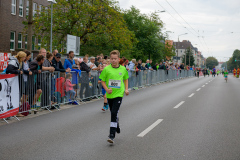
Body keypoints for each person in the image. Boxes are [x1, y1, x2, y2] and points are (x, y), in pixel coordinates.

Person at [99, 50, 129, 144]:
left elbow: (126, 79)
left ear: (118, 59)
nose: (113, 60)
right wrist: (107, 89)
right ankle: (116, 124)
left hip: (119, 94)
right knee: (113, 112)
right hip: (110, 94)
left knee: (113, 113)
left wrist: (126, 89)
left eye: (115, 59)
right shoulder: (106, 69)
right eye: (112, 59)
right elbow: (102, 81)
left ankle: (111, 135)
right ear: (110, 59)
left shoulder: (123, 69)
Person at [6, 51, 26, 117]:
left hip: (17, 81)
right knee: (14, 95)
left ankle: (16, 111)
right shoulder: (14, 61)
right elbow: (8, 70)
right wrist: (18, 71)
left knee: (18, 95)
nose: (24, 59)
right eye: (24, 57)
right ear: (21, 57)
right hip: (12, 81)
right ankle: (14, 112)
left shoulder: (19, 62)